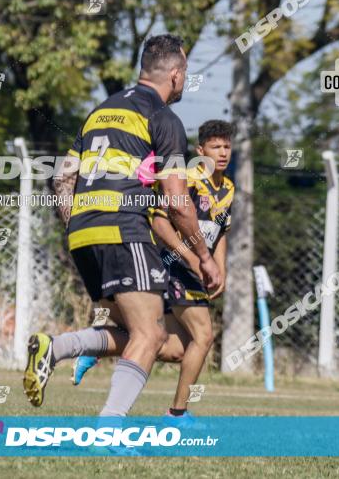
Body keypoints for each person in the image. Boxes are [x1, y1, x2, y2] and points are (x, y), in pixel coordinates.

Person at [24, 34, 222, 417]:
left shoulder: (101, 111)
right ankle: (108, 431)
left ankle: (57, 348)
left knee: (161, 341)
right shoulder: (163, 118)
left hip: (83, 233)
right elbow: (179, 203)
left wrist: (77, 227)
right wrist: (203, 256)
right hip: (122, 229)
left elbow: (63, 178)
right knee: (150, 334)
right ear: (176, 75)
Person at [74, 120, 234, 423]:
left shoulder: (228, 188)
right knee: (204, 336)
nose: (222, 152)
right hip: (173, 266)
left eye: (226, 146)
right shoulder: (187, 178)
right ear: (200, 151)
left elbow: (222, 231)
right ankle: (177, 413)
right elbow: (160, 223)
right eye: (215, 146)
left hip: (196, 270)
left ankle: (98, 346)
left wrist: (221, 268)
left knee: (173, 347)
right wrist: (190, 258)